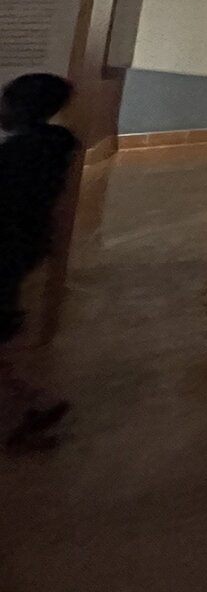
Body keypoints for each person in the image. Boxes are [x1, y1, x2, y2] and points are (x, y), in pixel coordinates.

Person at [1, 73, 80, 454]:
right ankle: (34, 402)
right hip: (21, 248)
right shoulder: (52, 148)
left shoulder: (18, 155)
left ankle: (31, 404)